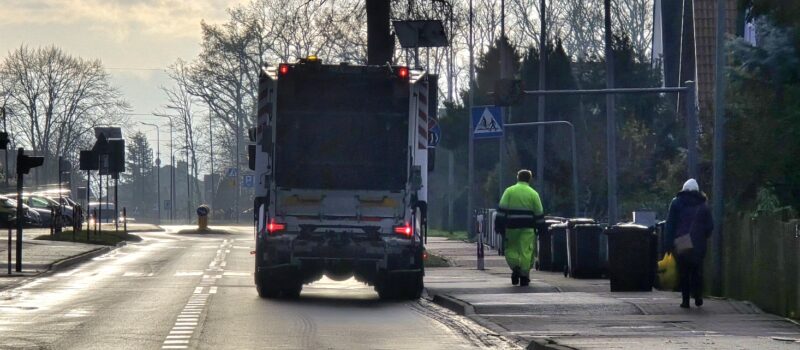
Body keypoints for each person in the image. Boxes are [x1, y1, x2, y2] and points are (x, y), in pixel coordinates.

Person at [664, 178, 714, 308]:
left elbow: (670, 224)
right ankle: (698, 296)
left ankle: (685, 300)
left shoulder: (676, 203)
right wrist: (703, 236)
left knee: (684, 271)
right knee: (697, 270)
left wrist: (668, 243)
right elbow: (710, 226)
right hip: (699, 241)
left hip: (682, 240)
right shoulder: (703, 205)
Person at [497, 169, 544, 287]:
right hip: (528, 228)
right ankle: (524, 275)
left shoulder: (509, 191)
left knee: (510, 248)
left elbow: (501, 210)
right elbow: (539, 213)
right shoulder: (533, 194)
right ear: (530, 179)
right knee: (526, 251)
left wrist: (499, 225)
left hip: (511, 226)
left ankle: (515, 267)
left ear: (517, 178)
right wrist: (542, 228)